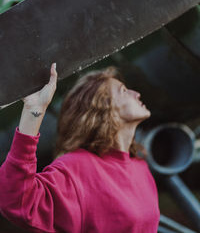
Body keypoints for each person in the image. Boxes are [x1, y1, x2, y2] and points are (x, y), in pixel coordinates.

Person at [0, 62, 160, 233]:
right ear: (103, 107)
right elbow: (16, 199)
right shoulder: (78, 168)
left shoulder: (140, 166)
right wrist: (35, 109)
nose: (136, 94)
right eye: (124, 91)